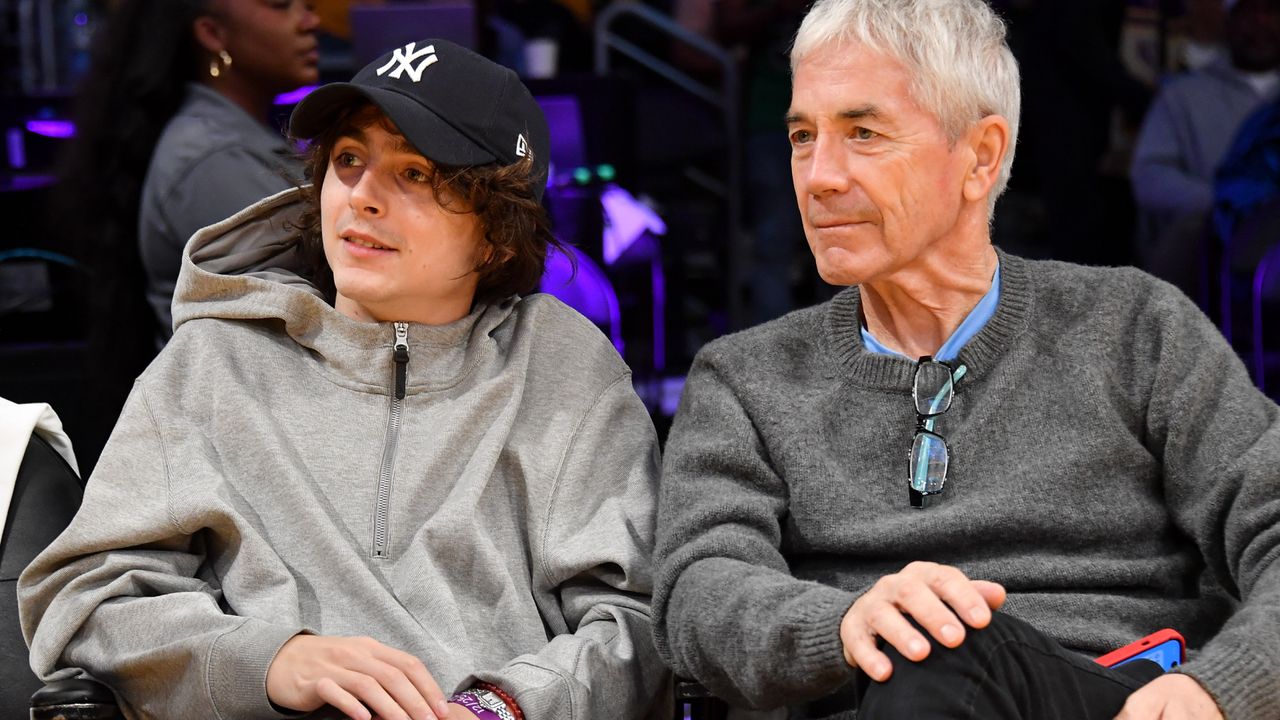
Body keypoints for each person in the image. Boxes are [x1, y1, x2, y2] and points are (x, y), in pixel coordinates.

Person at [652, 1, 1280, 719]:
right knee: (923, 647)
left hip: (1118, 702)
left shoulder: (1136, 328)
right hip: (890, 700)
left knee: (938, 648)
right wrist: (844, 623)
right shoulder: (745, 380)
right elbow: (698, 591)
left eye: (862, 132)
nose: (818, 176)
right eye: (802, 136)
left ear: (980, 156)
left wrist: (1223, 686)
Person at [21, 39, 667, 720]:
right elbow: (86, 598)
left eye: (415, 173)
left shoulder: (563, 367)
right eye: (349, 160)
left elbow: (637, 619)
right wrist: (270, 661)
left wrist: (503, 707)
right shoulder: (214, 361)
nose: (362, 197)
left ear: (497, 234)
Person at [49, 0, 320, 474]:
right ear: (213, 34)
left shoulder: (228, 138)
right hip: (243, 460)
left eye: (308, 5)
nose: (310, 21)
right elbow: (318, 321)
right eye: (282, 6)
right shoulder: (215, 160)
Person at [1130, 0, 1280, 297]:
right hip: (1217, 245)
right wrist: (1224, 204)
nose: (1261, 24)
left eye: (1271, 13)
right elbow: (1149, 176)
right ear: (1228, 22)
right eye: (1249, 13)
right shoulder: (1184, 94)